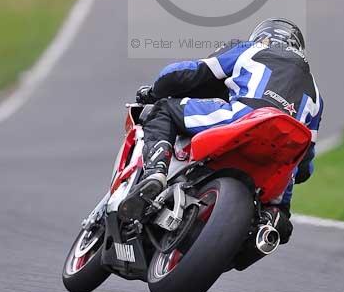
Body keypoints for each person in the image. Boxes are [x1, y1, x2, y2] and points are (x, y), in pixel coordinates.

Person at [119, 18, 324, 243]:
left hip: (243, 117)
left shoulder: (252, 48)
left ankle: (155, 172)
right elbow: (305, 165)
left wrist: (154, 92)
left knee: (164, 110)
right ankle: (268, 225)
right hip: (282, 157)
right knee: (280, 219)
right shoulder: (315, 93)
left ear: (264, 36)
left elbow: (187, 73)